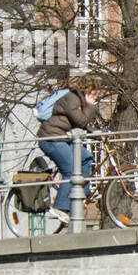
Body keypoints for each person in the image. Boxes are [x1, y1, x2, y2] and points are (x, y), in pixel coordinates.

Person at [37, 75, 104, 223]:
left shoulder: (78, 101)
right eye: (94, 92)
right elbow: (81, 121)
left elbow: (81, 122)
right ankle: (59, 207)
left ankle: (82, 192)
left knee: (86, 157)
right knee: (70, 170)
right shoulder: (72, 99)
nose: (96, 96)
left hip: (61, 137)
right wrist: (91, 106)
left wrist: (97, 134)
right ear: (88, 90)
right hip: (50, 138)